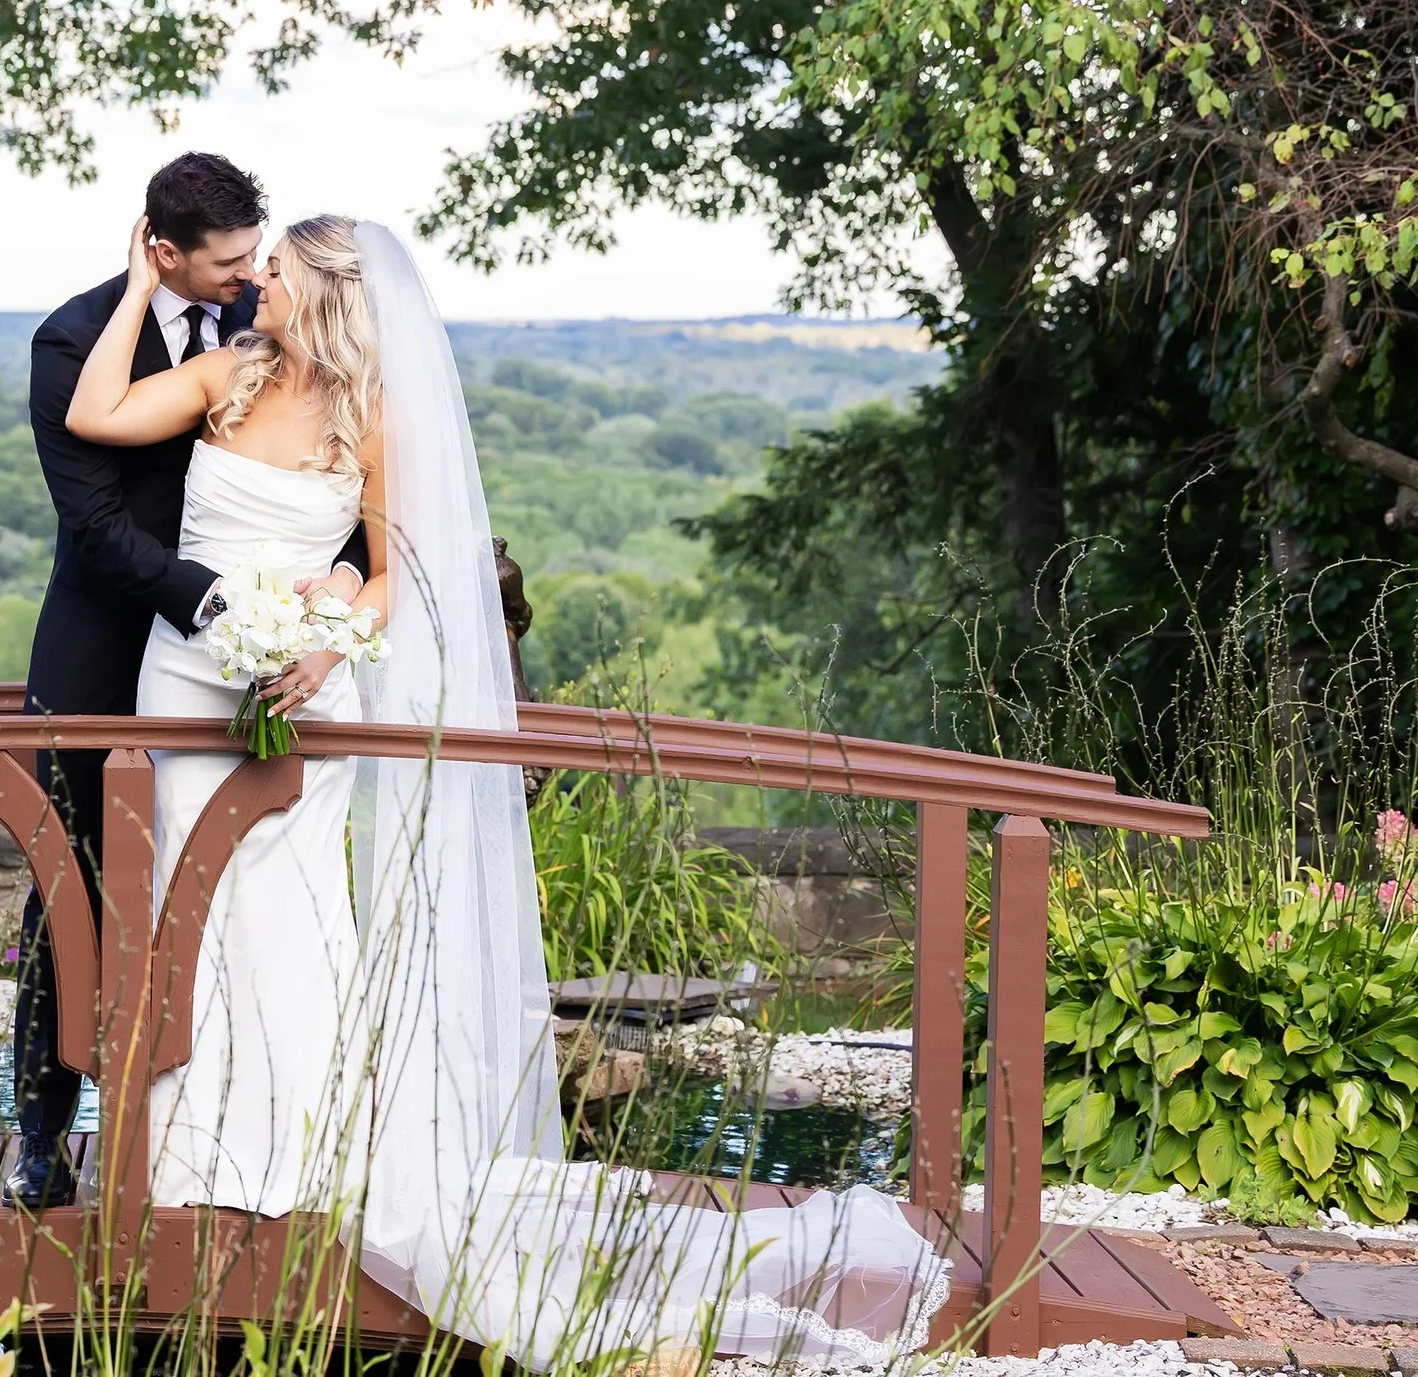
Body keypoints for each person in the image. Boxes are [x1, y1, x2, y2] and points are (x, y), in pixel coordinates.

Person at [64, 213, 951, 1369]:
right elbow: (95, 414)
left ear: (326, 291)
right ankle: (176, 1159)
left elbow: (393, 575)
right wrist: (137, 285)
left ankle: (294, 1154)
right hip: (179, 678)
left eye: (274, 269)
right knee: (180, 900)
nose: (254, 284)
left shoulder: (369, 415)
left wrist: (325, 645)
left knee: (286, 916)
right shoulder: (225, 374)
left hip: (298, 687)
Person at [9, 153, 369, 1211]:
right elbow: (98, 523)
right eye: (228, 261)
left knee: (256, 889)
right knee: (70, 879)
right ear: (161, 252)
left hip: (254, 650)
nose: (250, 277)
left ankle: (252, 1119)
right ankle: (45, 1128)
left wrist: (335, 586)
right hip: (115, 639)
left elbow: (350, 505)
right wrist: (219, 607)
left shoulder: (278, 323)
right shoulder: (75, 337)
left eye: (258, 256)